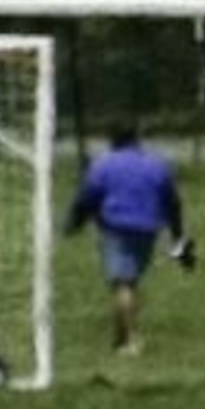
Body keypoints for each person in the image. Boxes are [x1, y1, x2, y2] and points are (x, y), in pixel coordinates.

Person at [62, 125, 188, 358]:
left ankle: (131, 340)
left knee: (122, 285)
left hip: (116, 228)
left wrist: (73, 224)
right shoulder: (156, 165)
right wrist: (177, 237)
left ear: (112, 140)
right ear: (136, 139)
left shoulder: (104, 165)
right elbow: (173, 202)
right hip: (148, 230)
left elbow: (87, 197)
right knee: (129, 283)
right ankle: (120, 338)